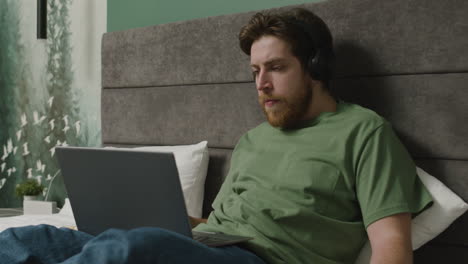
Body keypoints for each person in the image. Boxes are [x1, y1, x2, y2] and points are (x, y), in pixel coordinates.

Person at [0, 8, 431, 264]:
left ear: (315, 68)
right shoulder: (252, 140)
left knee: (134, 248)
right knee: (26, 238)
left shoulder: (364, 132)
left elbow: (391, 246)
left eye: (276, 68)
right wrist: (147, 212)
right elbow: (224, 228)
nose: (261, 84)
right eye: (254, 71)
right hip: (208, 249)